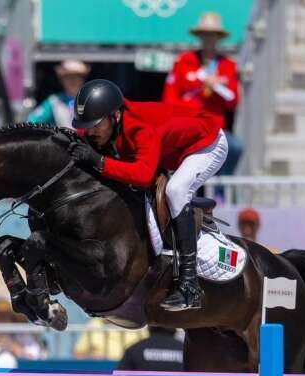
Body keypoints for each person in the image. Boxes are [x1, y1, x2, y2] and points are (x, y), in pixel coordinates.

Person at [69, 80, 226, 312]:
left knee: (176, 190)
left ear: (116, 116)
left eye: (95, 125)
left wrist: (100, 162)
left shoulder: (140, 129)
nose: (90, 132)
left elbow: (143, 175)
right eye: (86, 125)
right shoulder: (101, 123)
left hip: (207, 145)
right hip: (171, 151)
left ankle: (190, 285)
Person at [162, 12, 242, 175]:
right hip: (188, 127)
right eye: (205, 34)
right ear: (199, 36)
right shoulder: (184, 61)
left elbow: (233, 102)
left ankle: (220, 194)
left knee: (236, 148)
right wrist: (201, 86)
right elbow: (169, 101)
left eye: (213, 35)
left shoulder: (227, 65)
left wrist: (218, 89)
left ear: (218, 37)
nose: (209, 38)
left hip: (216, 129)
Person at [27, 60, 89, 128]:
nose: (72, 80)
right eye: (67, 76)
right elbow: (31, 121)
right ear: (61, 80)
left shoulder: (91, 100)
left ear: (83, 78)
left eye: (77, 76)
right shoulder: (54, 102)